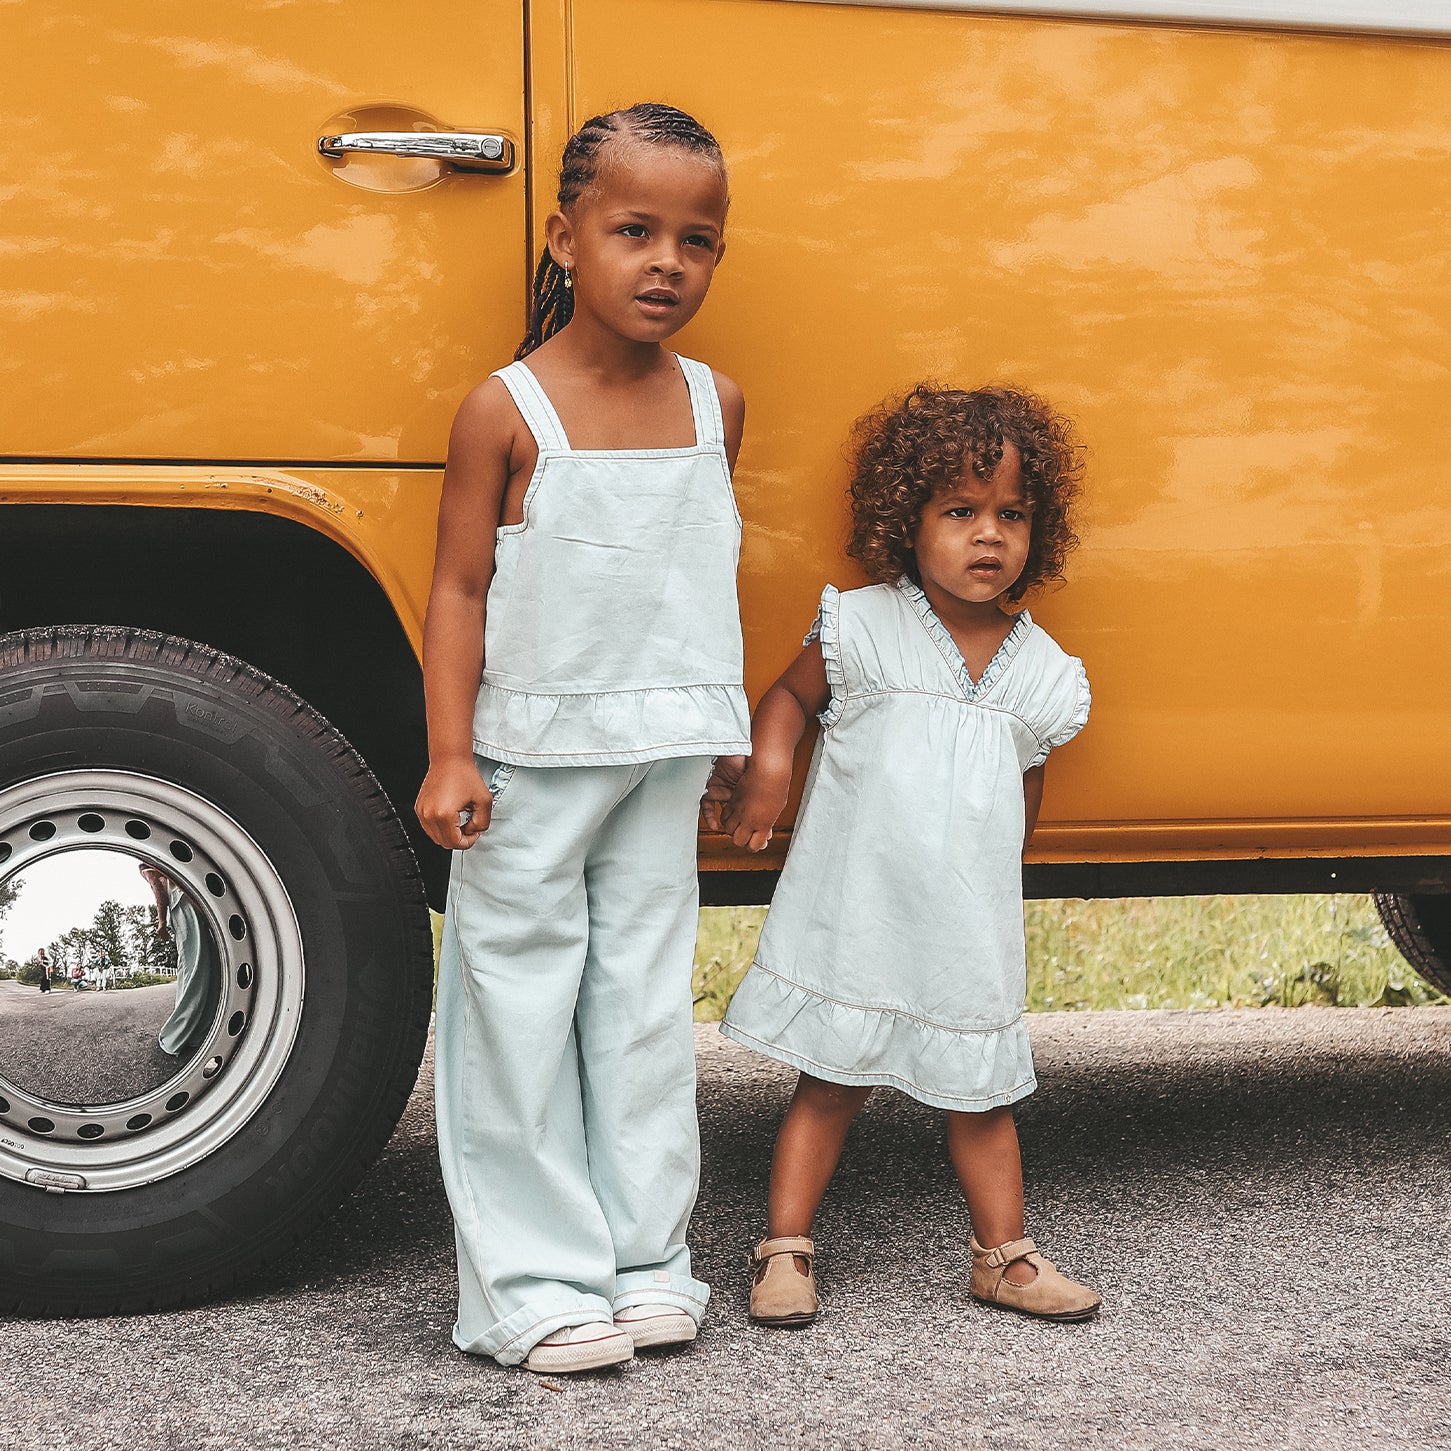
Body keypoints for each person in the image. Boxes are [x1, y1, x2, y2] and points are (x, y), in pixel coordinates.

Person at [414, 102, 748, 1375]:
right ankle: (530, 1281)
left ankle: (643, 1257)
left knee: (641, 1009)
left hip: (663, 756)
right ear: (564, 239)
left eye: (697, 239)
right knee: (513, 1006)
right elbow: (457, 592)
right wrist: (450, 751)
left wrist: (718, 723)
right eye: (633, 229)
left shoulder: (715, 404)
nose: (667, 260)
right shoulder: (504, 411)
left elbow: (695, 574)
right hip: (528, 766)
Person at [708, 384, 1101, 1326]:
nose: (987, 535)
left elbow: (1022, 794)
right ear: (907, 520)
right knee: (830, 1082)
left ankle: (1002, 1256)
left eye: (1010, 514)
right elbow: (788, 699)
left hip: (963, 920)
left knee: (981, 1093)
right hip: (863, 906)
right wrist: (769, 768)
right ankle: (786, 1246)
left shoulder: (1041, 673)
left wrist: (997, 889)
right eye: (959, 511)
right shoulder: (864, 627)